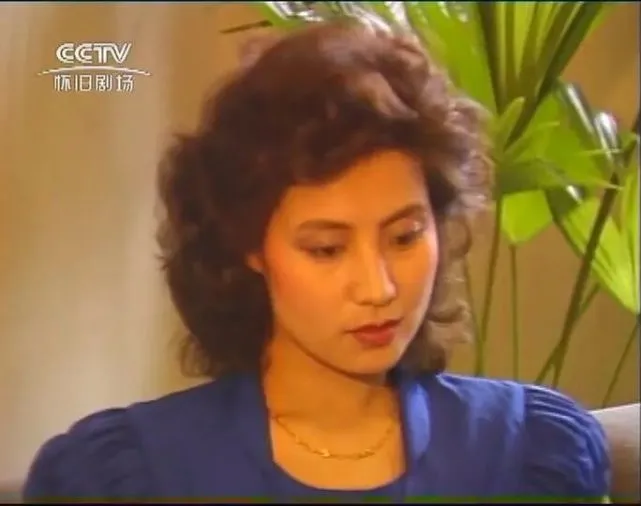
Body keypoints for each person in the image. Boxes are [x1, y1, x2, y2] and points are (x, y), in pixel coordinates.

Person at [23, 18, 610, 502]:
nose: (379, 287)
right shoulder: (127, 476)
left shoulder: (528, 453)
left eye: (404, 237)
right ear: (250, 248)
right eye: (327, 249)